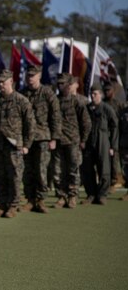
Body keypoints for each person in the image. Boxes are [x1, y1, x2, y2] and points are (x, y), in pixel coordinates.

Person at [0, 69, 35, 218]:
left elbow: (30, 124)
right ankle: (2, 205)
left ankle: (13, 206)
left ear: (11, 82)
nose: (0, 85)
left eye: (3, 82)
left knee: (14, 176)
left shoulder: (21, 100)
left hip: (14, 145)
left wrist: (26, 145)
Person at [21, 65, 61, 213]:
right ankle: (30, 200)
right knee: (28, 171)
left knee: (41, 170)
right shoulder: (23, 93)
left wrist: (54, 138)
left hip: (43, 138)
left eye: (33, 75)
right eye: (28, 75)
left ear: (39, 76)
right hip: (27, 140)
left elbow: (56, 117)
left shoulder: (48, 93)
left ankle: (41, 200)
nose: (30, 78)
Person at [52, 74, 91, 209]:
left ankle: (72, 196)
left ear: (69, 85)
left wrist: (83, 139)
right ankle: (61, 197)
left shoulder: (76, 102)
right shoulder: (55, 100)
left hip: (73, 141)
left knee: (73, 170)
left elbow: (86, 122)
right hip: (58, 142)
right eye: (58, 83)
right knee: (57, 172)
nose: (59, 86)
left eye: (62, 83)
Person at [81, 82, 118, 204]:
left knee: (104, 169)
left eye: (95, 94)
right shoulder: (87, 108)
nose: (93, 96)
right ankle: (91, 194)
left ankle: (102, 195)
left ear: (100, 95)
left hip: (102, 141)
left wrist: (112, 145)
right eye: (91, 93)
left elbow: (114, 126)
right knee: (87, 169)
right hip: (89, 142)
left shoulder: (107, 108)